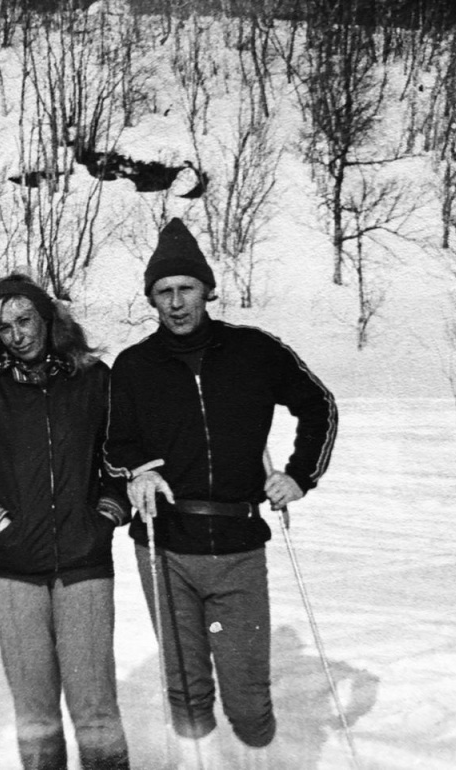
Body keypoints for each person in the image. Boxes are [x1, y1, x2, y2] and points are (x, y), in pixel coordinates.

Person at [105, 218, 337, 769]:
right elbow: (113, 443)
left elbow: (319, 406)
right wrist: (136, 471)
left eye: (186, 288)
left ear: (207, 290)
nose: (177, 302)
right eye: (164, 292)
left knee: (248, 694)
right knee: (185, 690)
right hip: (163, 547)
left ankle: (257, 761)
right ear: (152, 300)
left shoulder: (254, 351)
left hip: (237, 547)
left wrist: (300, 476)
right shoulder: (134, 365)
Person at [0, 274, 131, 770]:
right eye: (4, 327)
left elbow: (120, 453)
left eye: (25, 320)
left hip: (84, 563)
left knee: (96, 712)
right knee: (35, 715)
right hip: (12, 570)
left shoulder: (94, 380)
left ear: (48, 319)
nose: (17, 334)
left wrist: (110, 510)